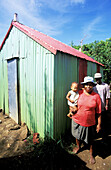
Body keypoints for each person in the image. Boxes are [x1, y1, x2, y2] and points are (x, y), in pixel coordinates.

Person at [71, 76, 101, 164]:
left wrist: (99, 124)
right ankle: (78, 147)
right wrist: (71, 110)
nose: (88, 86)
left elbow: (99, 112)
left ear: (93, 86)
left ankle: (91, 153)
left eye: (91, 85)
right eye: (87, 85)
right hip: (77, 120)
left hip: (90, 122)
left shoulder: (96, 96)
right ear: (84, 86)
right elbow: (72, 103)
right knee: (77, 136)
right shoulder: (79, 94)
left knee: (91, 139)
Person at [93, 73, 110, 141]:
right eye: (96, 79)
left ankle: (104, 136)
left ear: (101, 78)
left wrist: (106, 105)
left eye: (98, 79)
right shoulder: (93, 86)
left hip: (102, 106)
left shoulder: (105, 86)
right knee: (95, 121)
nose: (97, 80)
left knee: (102, 121)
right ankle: (96, 135)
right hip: (94, 107)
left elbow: (107, 97)